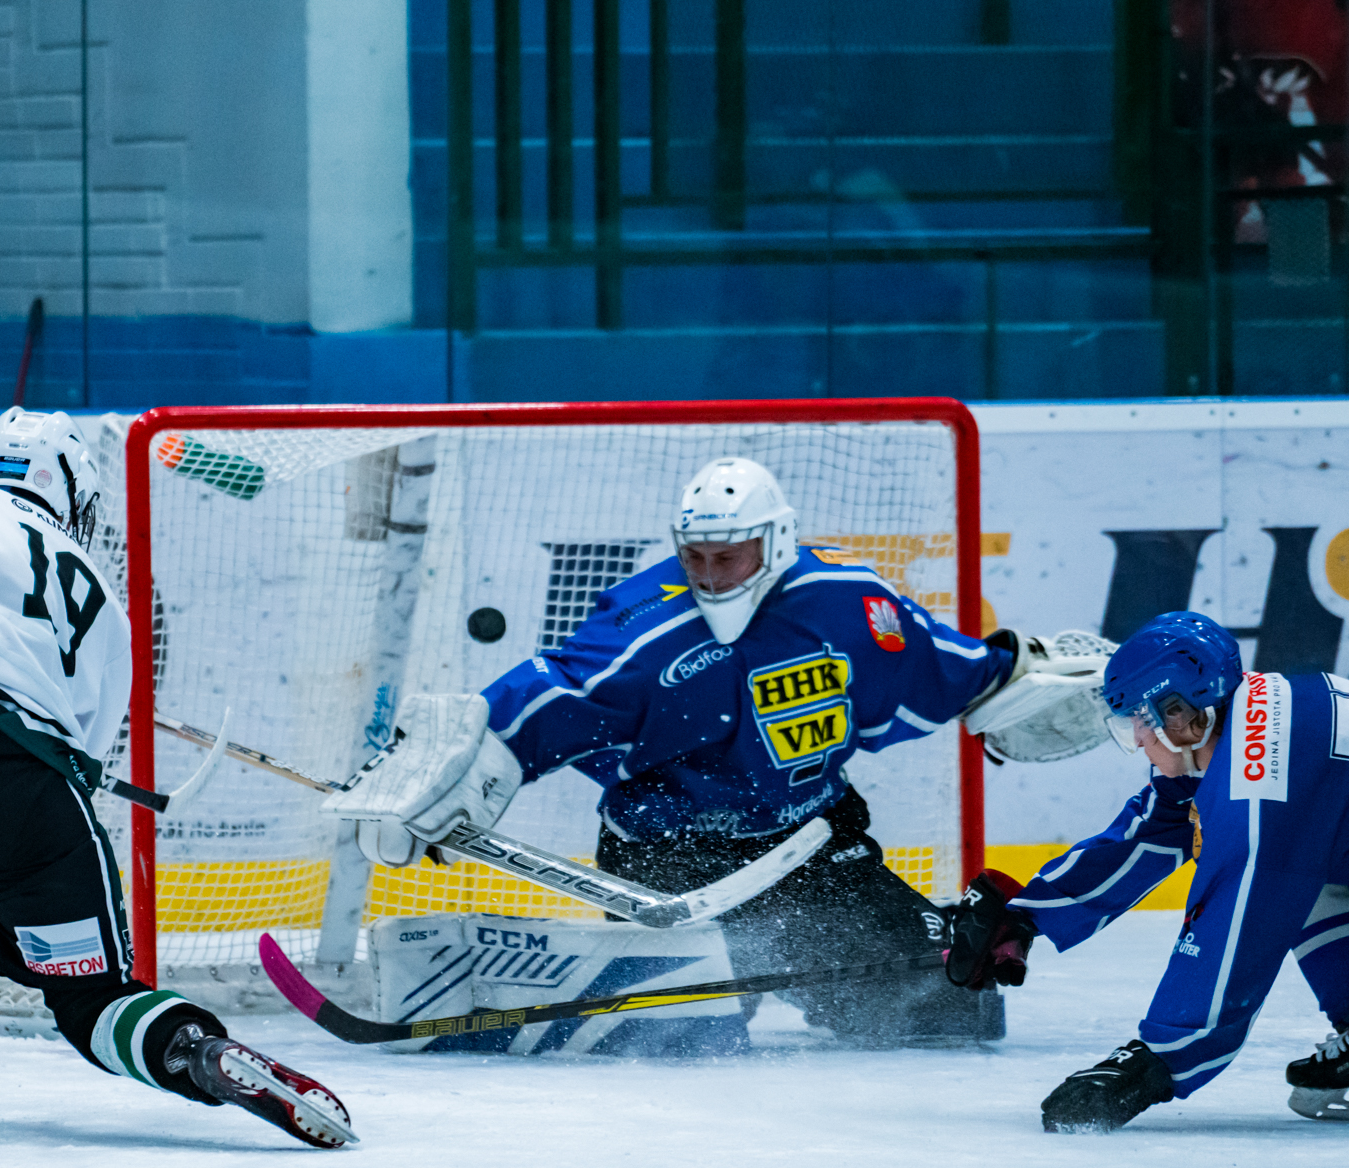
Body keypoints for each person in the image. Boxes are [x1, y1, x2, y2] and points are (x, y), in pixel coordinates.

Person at [329, 457, 1054, 1044]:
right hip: (669, 860)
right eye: (696, 556)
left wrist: (1014, 687)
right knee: (686, 1045)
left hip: (812, 849)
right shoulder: (646, 632)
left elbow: (938, 662)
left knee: (957, 1012)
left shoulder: (849, 603)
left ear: (774, 543)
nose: (709, 574)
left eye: (728, 557)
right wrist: (446, 774)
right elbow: (546, 695)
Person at [0, 408, 354, 1146]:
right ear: (77, 494)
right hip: (38, 811)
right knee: (92, 1005)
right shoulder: (109, 614)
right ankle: (199, 1052)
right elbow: (82, 763)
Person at [942, 611, 1349, 1131]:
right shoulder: (1245, 720)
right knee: (1312, 873)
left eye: (1139, 717)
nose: (1136, 739)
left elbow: (1234, 930)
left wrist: (1153, 1062)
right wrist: (1030, 915)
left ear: (1177, 711)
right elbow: (1151, 830)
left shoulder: (1259, 785)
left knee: (1290, 888)